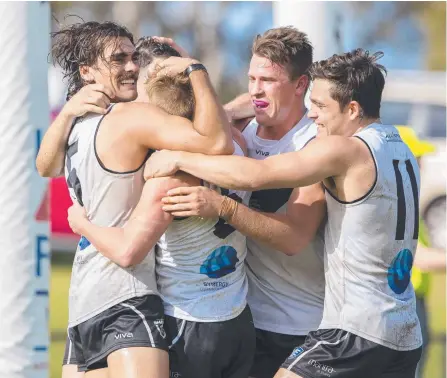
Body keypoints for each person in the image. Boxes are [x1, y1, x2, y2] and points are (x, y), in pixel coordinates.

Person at [145, 48, 424, 378]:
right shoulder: (400, 147)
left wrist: (181, 160)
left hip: (356, 332)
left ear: (352, 109)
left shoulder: (345, 149)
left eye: (320, 106)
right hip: (405, 333)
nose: (312, 115)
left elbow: (257, 175)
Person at [36, 21, 233, 378]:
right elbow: (219, 142)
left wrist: (66, 112)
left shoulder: (77, 121)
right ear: (87, 71)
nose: (131, 67)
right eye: (118, 59)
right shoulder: (131, 117)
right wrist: (194, 69)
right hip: (127, 296)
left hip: (84, 304)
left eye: (132, 58)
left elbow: (45, 166)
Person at [152, 26, 327, 378]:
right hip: (240, 317)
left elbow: (294, 238)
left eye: (269, 80)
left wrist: (223, 207)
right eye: (252, 78)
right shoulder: (241, 129)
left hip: (298, 325)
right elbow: (210, 111)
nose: (256, 89)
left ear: (300, 85)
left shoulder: (316, 145)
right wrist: (189, 78)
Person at [66, 66, 255, 378]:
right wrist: (194, 72)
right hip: (237, 317)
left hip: (189, 322)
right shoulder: (236, 143)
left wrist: (82, 224)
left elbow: (128, 251)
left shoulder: (167, 174)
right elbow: (227, 110)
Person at [397, 126, 446, 378]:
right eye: (416, 159)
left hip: (414, 300)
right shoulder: (394, 204)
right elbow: (421, 258)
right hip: (403, 303)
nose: (422, 165)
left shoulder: (407, 199)